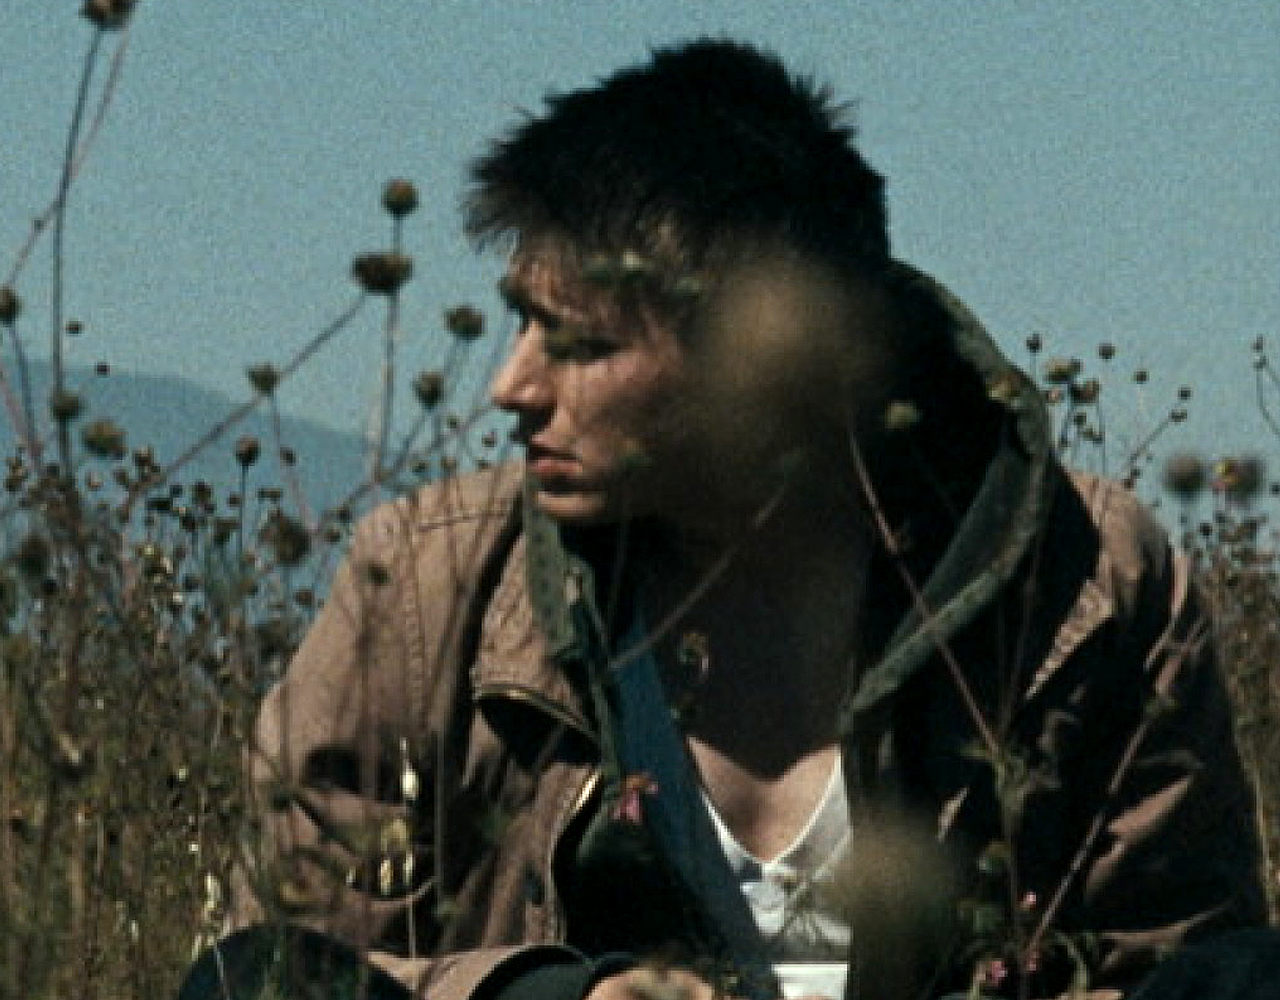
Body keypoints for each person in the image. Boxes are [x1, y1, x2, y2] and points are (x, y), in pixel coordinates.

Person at [179, 39, 1276, 1000]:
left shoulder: (1086, 575)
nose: (510, 387)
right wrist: (555, 997)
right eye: (519, 325)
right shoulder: (429, 585)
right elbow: (282, 965)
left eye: (581, 343)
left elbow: (1178, 956)